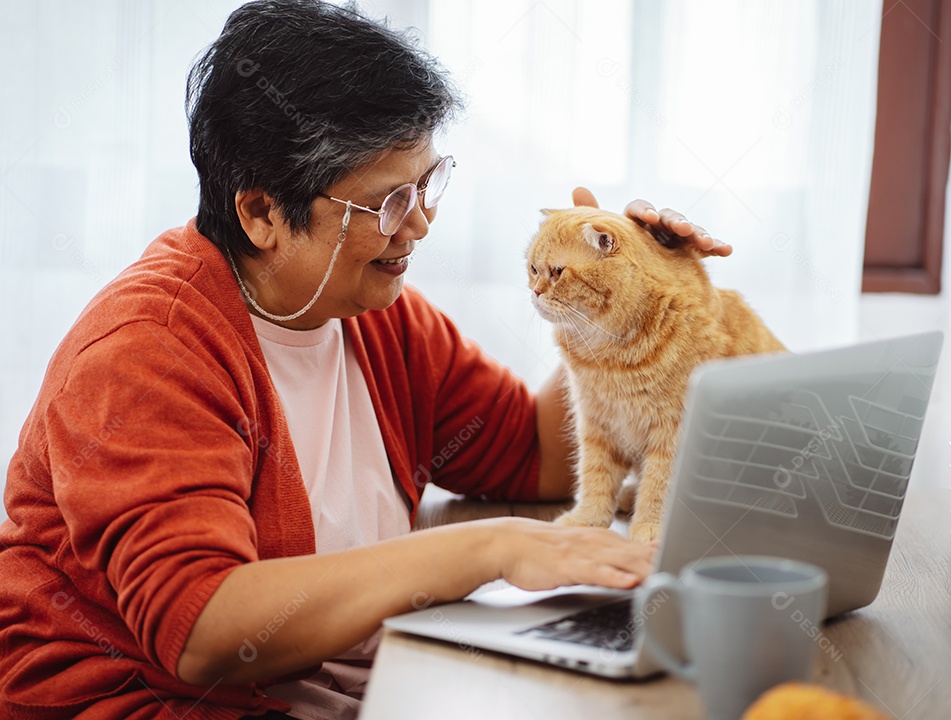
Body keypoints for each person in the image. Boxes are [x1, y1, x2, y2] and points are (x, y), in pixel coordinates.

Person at [0, 1, 728, 717]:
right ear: (259, 215)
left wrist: (636, 300)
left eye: (427, 184)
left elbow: (535, 451)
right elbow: (203, 628)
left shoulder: (369, 314)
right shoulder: (147, 349)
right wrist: (488, 550)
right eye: (386, 204)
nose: (418, 225)